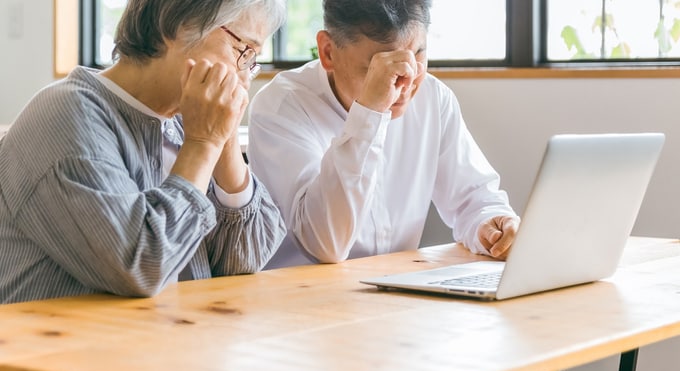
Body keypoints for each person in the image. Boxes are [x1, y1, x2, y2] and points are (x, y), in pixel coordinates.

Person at [0, 0, 287, 304]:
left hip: (171, 343)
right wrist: (203, 144)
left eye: (252, 59)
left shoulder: (182, 123)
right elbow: (143, 265)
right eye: (243, 50)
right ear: (178, 25)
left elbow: (247, 259)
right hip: (64, 347)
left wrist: (224, 140)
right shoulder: (67, 116)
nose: (244, 76)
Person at [247, 0, 520, 269]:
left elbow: (473, 200)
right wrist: (369, 113)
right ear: (328, 52)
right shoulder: (281, 107)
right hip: (299, 299)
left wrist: (491, 223)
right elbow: (325, 244)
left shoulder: (433, 99)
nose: (406, 81)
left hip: (399, 292)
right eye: (383, 67)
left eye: (418, 55)